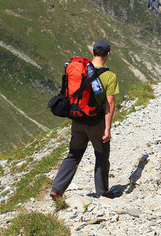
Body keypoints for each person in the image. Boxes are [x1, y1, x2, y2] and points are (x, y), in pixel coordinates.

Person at [50, 40, 119, 200]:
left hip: (78, 121)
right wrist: (107, 128)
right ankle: (102, 191)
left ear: (93, 52)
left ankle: (57, 189)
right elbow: (109, 104)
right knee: (101, 155)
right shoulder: (109, 76)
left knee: (73, 154)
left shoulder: (80, 70)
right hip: (96, 123)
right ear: (108, 54)